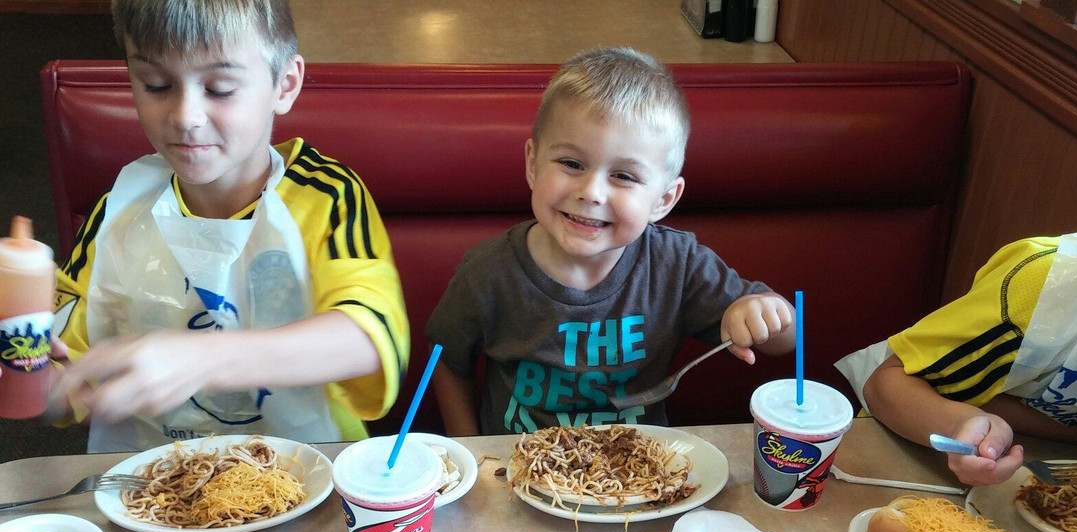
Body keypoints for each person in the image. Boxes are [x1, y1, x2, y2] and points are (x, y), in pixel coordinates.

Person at [42, 0, 408, 451]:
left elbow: (370, 337)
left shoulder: (327, 195)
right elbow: (61, 389)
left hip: (313, 465)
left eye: (220, 88)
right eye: (156, 85)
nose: (185, 116)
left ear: (284, 84)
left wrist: (201, 359)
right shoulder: (117, 213)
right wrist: (24, 366)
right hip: (157, 478)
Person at [425, 47, 794, 436]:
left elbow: (788, 340)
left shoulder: (677, 265)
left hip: (641, 464)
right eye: (572, 164)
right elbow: (447, 360)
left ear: (664, 199)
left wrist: (763, 313)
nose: (591, 193)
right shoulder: (487, 272)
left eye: (624, 176)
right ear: (533, 164)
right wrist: (470, 448)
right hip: (516, 463)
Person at [836, 233, 1077, 487]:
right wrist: (960, 424)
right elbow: (885, 383)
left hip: (1026, 455)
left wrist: (999, 423)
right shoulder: (1045, 288)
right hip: (901, 447)